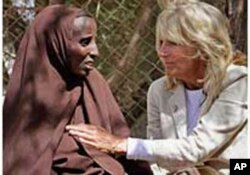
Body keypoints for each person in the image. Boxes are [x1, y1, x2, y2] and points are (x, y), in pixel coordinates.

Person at [65, 1, 248, 175]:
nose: (162, 52)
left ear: (202, 46)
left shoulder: (238, 81)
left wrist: (120, 144)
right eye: (160, 42)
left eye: (173, 43)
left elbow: (197, 148)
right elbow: (157, 158)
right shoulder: (159, 90)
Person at [3, 4, 152, 175]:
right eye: (85, 42)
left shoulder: (93, 83)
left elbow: (125, 149)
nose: (95, 51)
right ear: (56, 44)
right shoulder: (28, 101)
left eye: (94, 41)